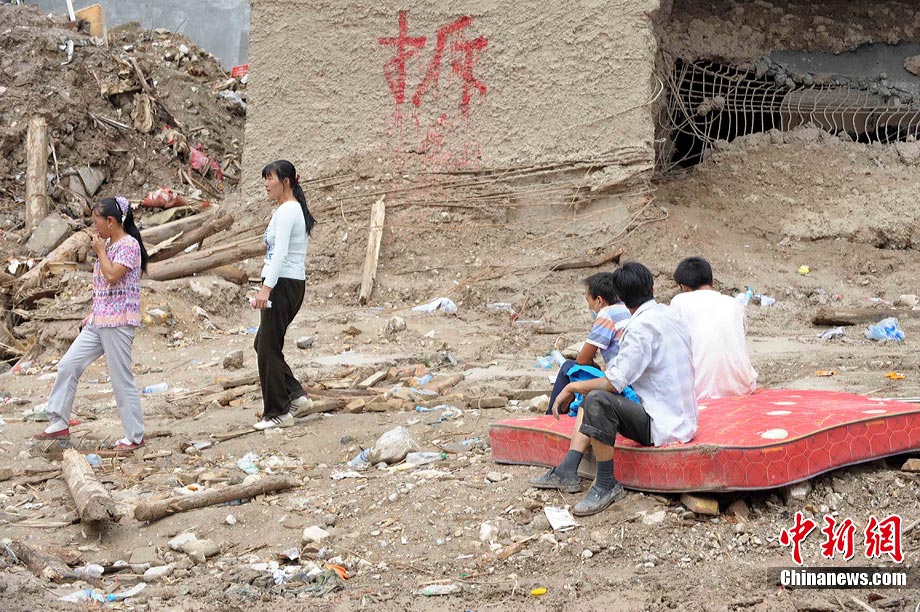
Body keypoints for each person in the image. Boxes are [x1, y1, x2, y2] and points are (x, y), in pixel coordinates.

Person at [531, 262, 698, 516]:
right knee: (595, 394)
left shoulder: (639, 327)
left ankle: (606, 483)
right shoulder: (669, 314)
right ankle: (568, 469)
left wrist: (572, 387)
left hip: (664, 424)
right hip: (685, 417)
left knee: (596, 400)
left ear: (619, 297)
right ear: (652, 288)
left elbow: (613, 382)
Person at [33, 197, 147, 451]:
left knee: (121, 378)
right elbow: (104, 288)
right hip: (99, 319)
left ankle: (135, 436)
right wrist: (92, 313)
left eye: (97, 222)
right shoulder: (109, 245)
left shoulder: (128, 245)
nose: (94, 227)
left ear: (110, 221)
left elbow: (112, 275)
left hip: (119, 322)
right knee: (68, 364)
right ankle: (58, 421)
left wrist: (100, 251)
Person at [251, 159, 317, 430]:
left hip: (282, 284)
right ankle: (295, 396)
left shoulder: (289, 210)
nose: (266, 184)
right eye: (264, 179)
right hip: (287, 282)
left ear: (286, 182)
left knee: (267, 347)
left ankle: (277, 412)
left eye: (270, 179)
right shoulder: (288, 209)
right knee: (263, 343)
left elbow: (280, 253)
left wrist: (266, 288)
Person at [670, 256, 757, 400]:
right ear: (712, 282)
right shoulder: (733, 304)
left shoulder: (679, 302)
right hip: (743, 388)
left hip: (699, 392)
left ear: (683, 287)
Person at [546, 272, 631, 416]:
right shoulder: (627, 309)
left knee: (568, 367)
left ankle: (552, 417)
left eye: (588, 300)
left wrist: (595, 367)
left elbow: (582, 359)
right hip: (631, 379)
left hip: (621, 384)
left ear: (599, 300)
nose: (589, 306)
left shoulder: (606, 314)